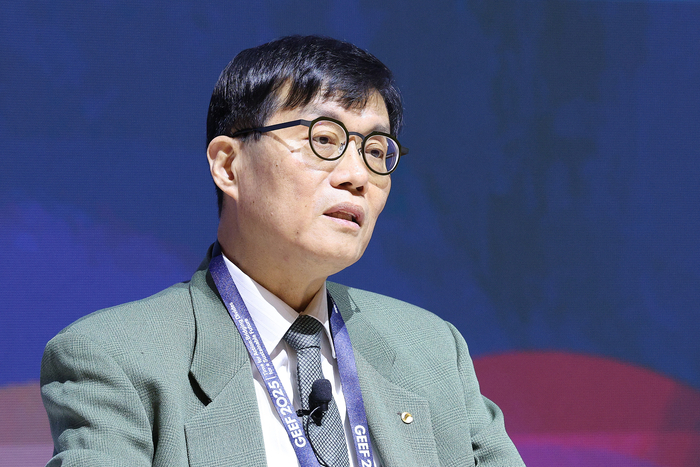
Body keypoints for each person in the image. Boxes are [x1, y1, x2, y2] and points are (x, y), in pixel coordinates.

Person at [41, 35, 525, 467]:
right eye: (324, 140)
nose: (357, 176)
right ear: (228, 165)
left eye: (376, 151)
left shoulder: (432, 349)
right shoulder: (118, 357)